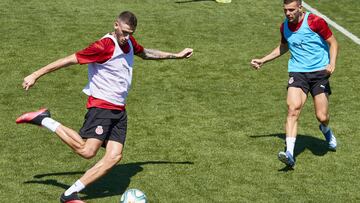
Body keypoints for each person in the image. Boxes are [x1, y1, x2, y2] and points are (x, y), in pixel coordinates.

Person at [16, 11, 193, 202]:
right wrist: (35, 74)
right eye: (124, 32)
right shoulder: (104, 46)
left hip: (119, 110)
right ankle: (44, 119)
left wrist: (176, 55)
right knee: (87, 151)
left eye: (131, 33)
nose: (127, 37)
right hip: (102, 107)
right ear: (116, 25)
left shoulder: (130, 42)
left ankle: (69, 195)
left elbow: (146, 53)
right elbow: (69, 60)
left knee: (114, 156)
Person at [250, 0, 338, 168]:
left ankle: (325, 130)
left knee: (322, 116)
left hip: (320, 73)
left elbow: (333, 43)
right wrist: (263, 60)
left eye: (291, 10)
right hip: (298, 72)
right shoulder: (285, 27)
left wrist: (332, 63)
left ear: (300, 8)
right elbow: (283, 47)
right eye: (285, 10)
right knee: (293, 109)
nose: (288, 13)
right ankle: (290, 154)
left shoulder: (315, 22)